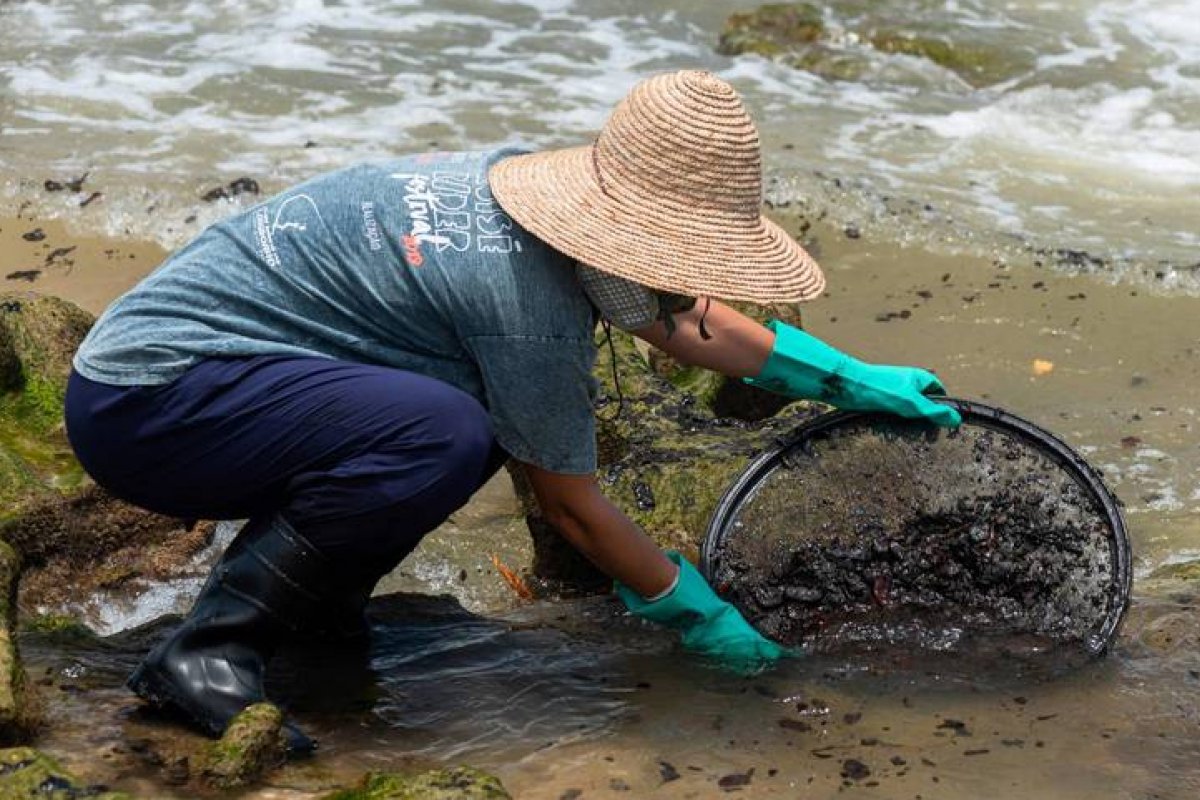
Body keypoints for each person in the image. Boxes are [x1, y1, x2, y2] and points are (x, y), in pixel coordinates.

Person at [64, 70, 960, 752]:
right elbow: (571, 505)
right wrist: (698, 615)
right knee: (444, 430)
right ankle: (205, 655)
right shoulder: (523, 300)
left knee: (450, 418)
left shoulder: (533, 200)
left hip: (208, 382)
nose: (693, 269)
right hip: (153, 403)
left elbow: (676, 319)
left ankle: (315, 614)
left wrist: (845, 376)